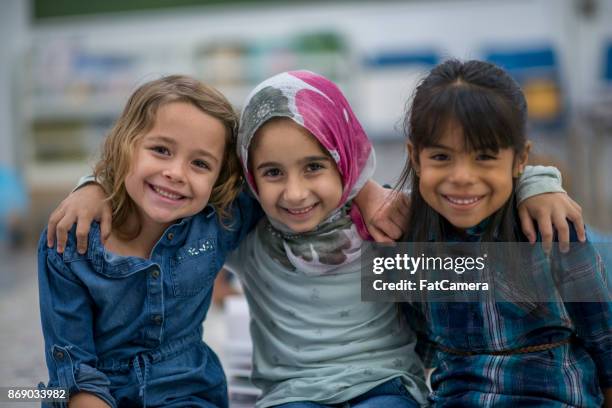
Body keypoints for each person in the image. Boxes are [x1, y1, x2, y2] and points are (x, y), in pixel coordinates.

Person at [47, 71, 585, 408]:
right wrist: (93, 184)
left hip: (387, 387)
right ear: (250, 180)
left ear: (345, 163)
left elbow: (478, 233)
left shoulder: (381, 233)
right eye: (273, 174)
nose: (296, 193)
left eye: (315, 168)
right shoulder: (252, 233)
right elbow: (64, 369)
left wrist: (537, 183)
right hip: (288, 395)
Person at [37, 75, 262, 408]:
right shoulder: (71, 238)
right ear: (124, 145)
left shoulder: (218, 221)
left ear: (220, 179)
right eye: (161, 150)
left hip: (189, 392)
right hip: (93, 394)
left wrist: (365, 194)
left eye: (200, 163)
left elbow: (288, 182)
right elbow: (74, 370)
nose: (176, 172)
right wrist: (92, 184)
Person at [398, 59, 611, 406]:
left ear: (520, 159)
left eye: (484, 156)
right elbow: (413, 344)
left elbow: (603, 335)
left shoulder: (552, 228)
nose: (462, 176)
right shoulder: (407, 239)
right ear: (415, 157)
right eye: (441, 156)